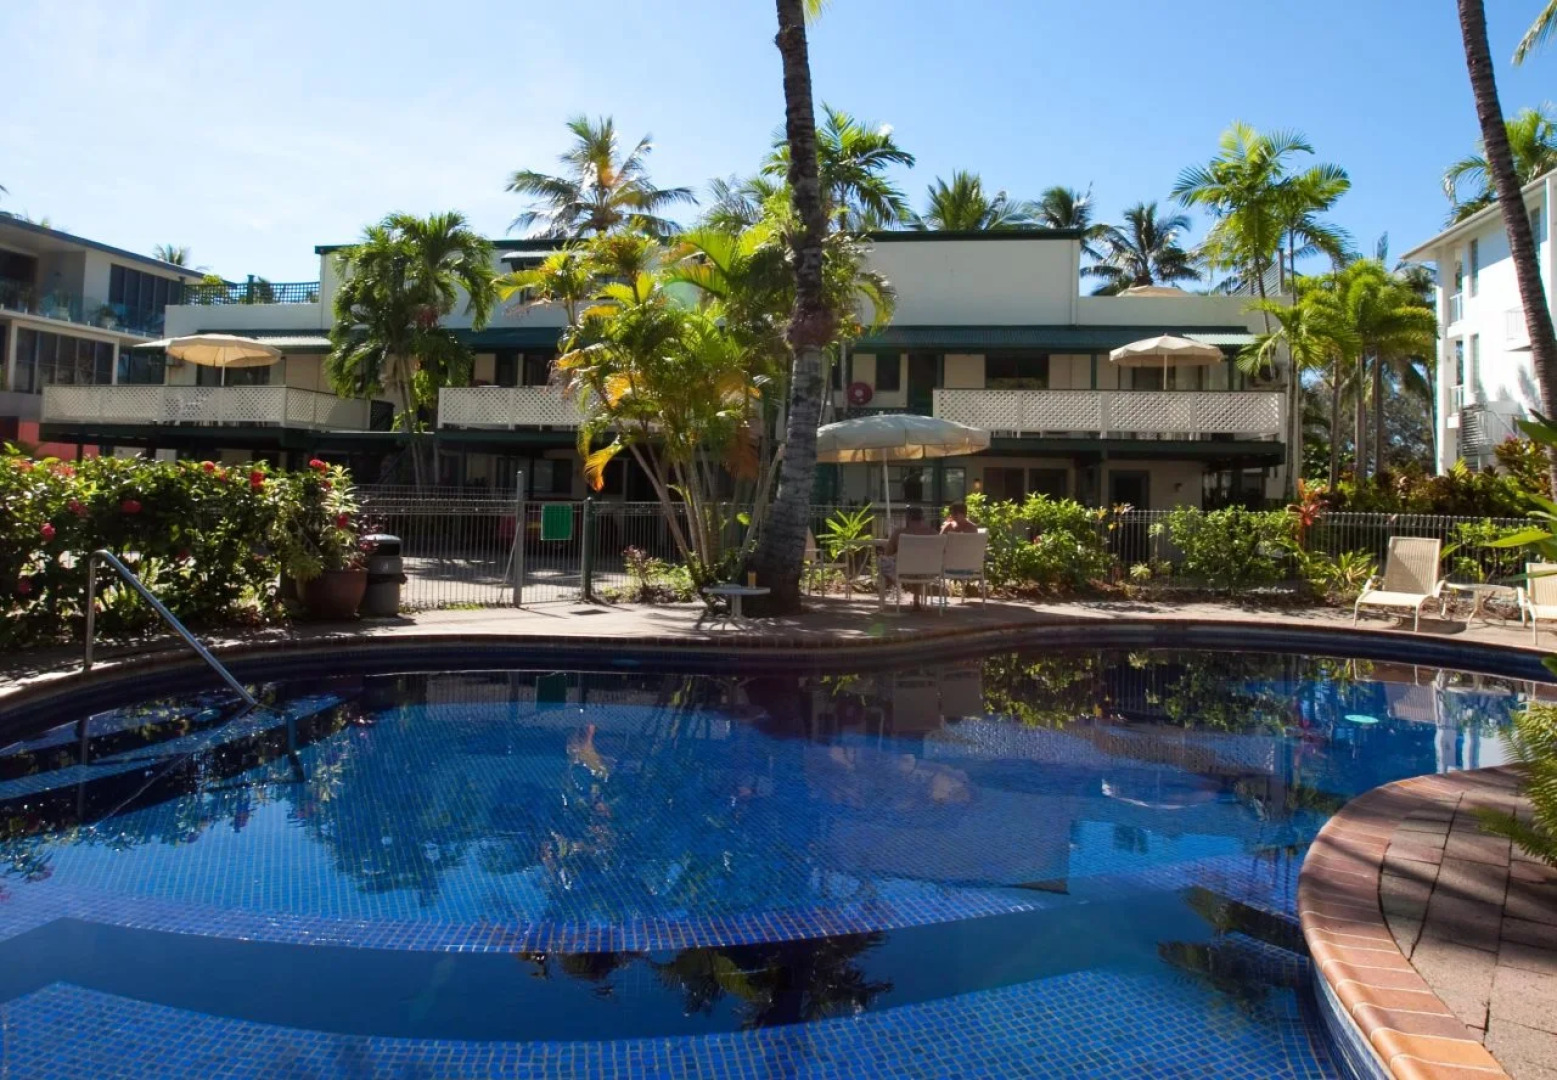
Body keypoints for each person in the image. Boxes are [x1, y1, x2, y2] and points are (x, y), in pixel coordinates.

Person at [879, 506, 937, 608]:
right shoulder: (933, 533)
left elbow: (888, 552)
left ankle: (890, 587)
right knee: (918, 566)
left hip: (904, 572)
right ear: (922, 518)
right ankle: (916, 599)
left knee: (883, 562)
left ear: (907, 518)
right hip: (928, 572)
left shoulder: (899, 533)